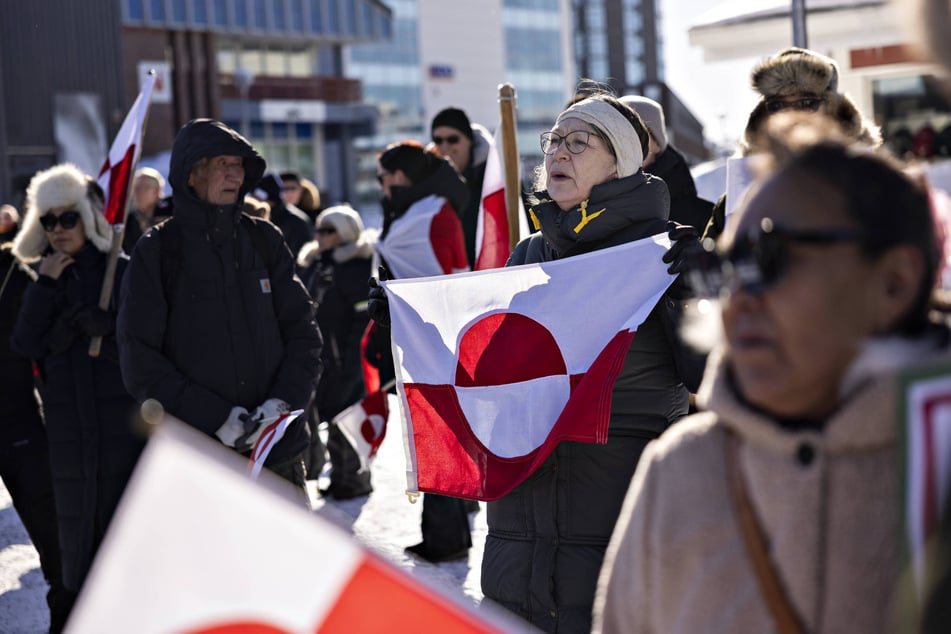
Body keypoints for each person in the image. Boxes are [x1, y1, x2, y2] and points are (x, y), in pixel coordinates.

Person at [593, 117, 948, 633]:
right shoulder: (680, 467)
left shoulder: (940, 455)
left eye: (770, 254)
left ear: (894, 282)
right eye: (725, 266)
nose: (739, 298)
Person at [477, 90, 703, 633]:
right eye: (554, 141)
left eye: (579, 142)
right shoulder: (529, 252)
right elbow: (490, 376)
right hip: (523, 521)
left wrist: (698, 292)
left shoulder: (661, 253)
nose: (558, 153)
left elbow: (710, 377)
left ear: (621, 161)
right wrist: (415, 342)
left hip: (612, 507)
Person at [116, 119, 323, 502]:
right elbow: (139, 361)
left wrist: (281, 405)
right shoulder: (158, 251)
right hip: (199, 462)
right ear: (191, 173)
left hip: (277, 456)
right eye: (220, 164)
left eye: (238, 164)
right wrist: (218, 419)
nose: (233, 174)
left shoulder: (264, 239)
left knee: (286, 565)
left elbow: (303, 335)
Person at [10, 164, 145, 622]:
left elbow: (150, 348)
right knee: (74, 558)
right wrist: (46, 285)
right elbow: (24, 345)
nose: (58, 230)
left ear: (87, 217)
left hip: (121, 433)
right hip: (67, 437)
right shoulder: (43, 277)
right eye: (48, 221)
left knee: (124, 547)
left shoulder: (122, 271)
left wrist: (111, 332)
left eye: (67, 218)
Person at [368, 140, 471, 564]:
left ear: (400, 177)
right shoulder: (416, 210)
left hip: (434, 343)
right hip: (414, 339)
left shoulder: (432, 211)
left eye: (384, 177)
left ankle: (447, 536)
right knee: (428, 437)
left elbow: (458, 274)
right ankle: (445, 532)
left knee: (437, 437)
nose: (382, 185)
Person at [703, 46, 882, 242]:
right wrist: (697, 255)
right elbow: (720, 265)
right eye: (777, 106)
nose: (792, 117)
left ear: (834, 111)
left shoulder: (877, 184)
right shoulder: (741, 198)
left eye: (807, 103)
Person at [0, 218, 69, 633]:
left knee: (56, 544)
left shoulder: (12, 269)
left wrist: (43, 283)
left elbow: (36, 335)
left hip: (17, 422)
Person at [298, 204, 373, 497]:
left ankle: (354, 479)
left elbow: (362, 317)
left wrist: (353, 358)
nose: (320, 236)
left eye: (328, 230)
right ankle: (342, 476)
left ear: (344, 232)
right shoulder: (318, 262)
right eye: (318, 229)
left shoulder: (355, 265)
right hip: (322, 354)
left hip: (346, 355)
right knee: (330, 414)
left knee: (348, 416)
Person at [620, 95, 714, 230]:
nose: (626, 143)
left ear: (657, 144)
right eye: (619, 135)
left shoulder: (702, 217)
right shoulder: (596, 203)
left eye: (637, 133)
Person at [430, 106, 493, 265]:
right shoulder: (429, 183)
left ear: (469, 141)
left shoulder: (494, 176)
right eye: (438, 140)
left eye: (453, 139)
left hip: (490, 270)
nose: (445, 147)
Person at [253, 172, 313, 258]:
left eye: (255, 198)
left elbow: (302, 260)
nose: (251, 201)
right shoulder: (256, 218)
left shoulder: (296, 222)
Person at [121, 167, 168, 254]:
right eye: (135, 188)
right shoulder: (127, 223)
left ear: (157, 191)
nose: (137, 192)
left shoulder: (170, 216)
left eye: (144, 188)